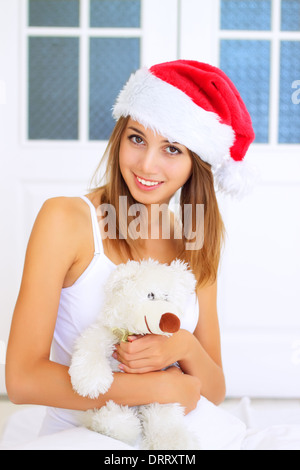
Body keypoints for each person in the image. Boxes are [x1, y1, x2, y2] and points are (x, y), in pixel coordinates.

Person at [5, 60, 255, 438]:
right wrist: (159, 386)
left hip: (172, 433)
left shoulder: (194, 235)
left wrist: (182, 346)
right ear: (120, 136)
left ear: (196, 164)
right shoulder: (66, 219)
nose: (147, 164)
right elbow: (22, 379)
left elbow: (214, 389)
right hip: (84, 435)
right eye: (136, 138)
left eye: (172, 148)